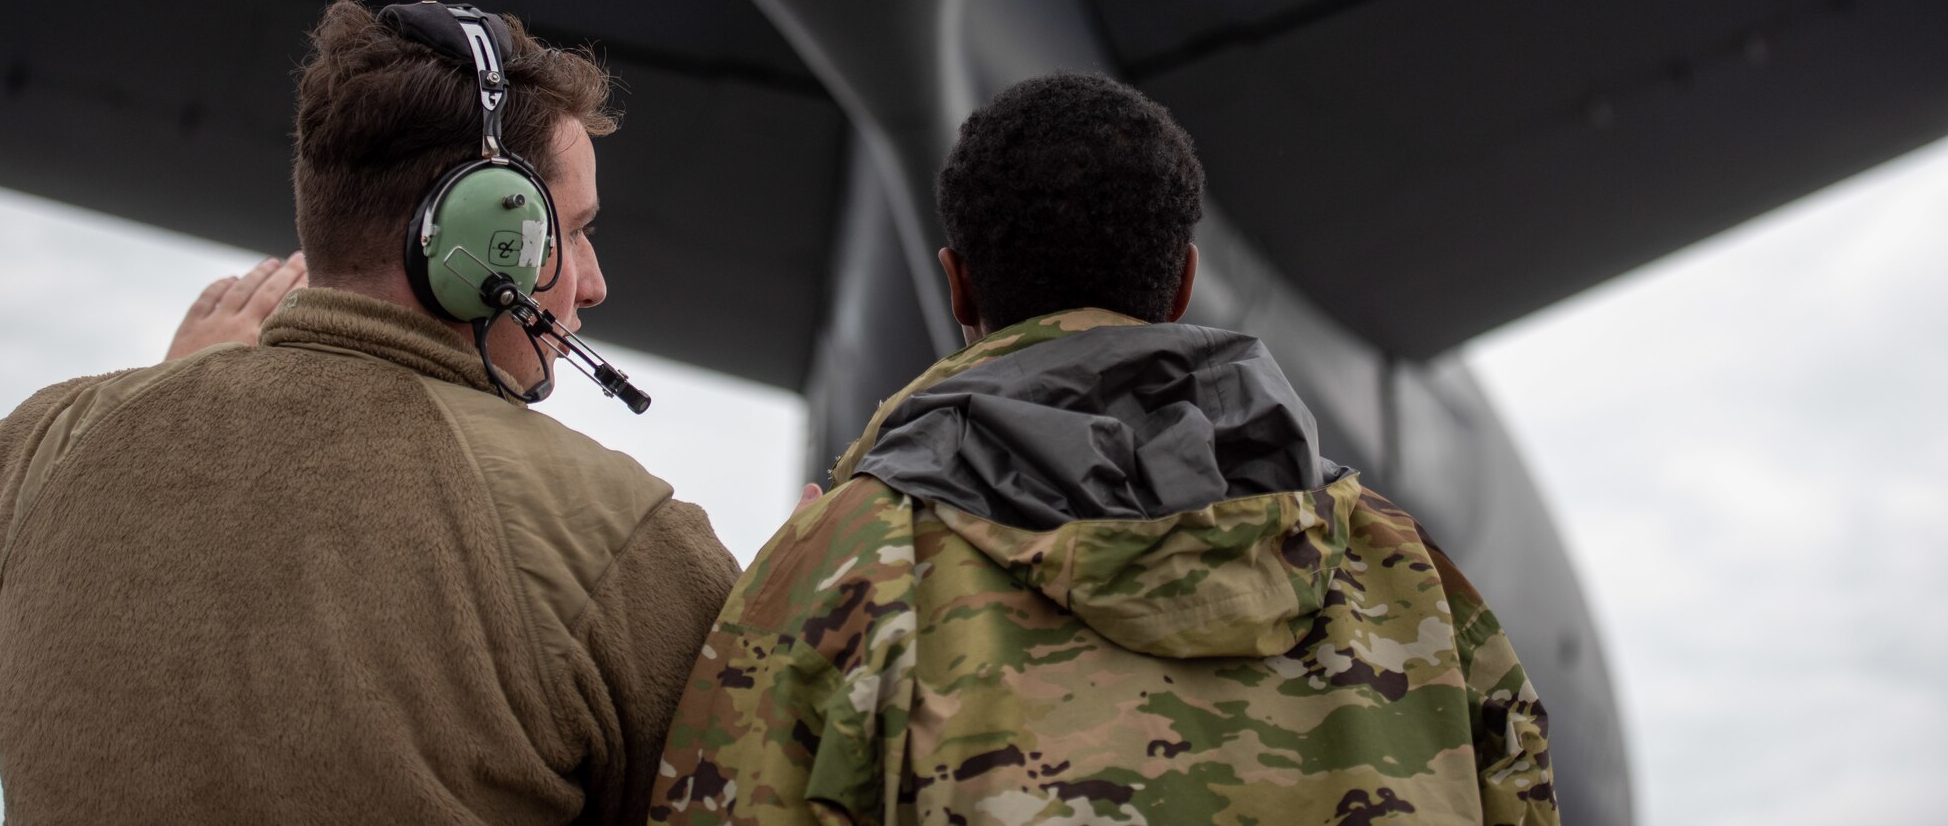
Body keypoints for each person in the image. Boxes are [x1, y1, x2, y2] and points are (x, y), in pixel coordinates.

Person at [652, 71, 1560, 824]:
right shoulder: (1404, 571)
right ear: (1183, 283)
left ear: (957, 283)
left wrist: (798, 572)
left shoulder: (851, 566)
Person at [0, 0, 738, 826]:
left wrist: (178, 384)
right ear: (480, 237)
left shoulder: (46, 453)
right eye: (571, 231)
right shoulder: (617, 538)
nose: (593, 281)